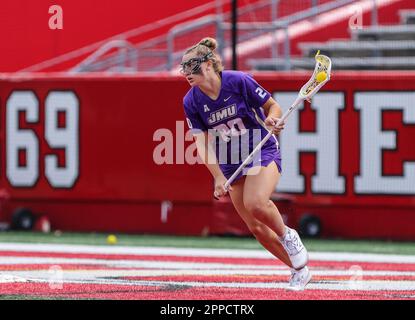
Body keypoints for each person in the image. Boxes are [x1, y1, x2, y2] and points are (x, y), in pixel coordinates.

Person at [181, 37, 311, 291]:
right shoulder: (191, 101)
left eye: (191, 66)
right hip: (231, 163)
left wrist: (273, 120)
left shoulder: (238, 81)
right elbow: (201, 143)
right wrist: (218, 176)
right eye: (184, 68)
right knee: (257, 228)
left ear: (208, 64)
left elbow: (272, 106)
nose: (186, 73)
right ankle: (299, 270)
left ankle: (288, 235)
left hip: (260, 150)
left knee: (256, 203)